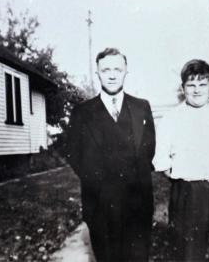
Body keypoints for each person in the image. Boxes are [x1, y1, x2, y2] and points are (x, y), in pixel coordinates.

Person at [67, 48, 155, 261]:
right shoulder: (82, 113)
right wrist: (99, 183)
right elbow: (74, 154)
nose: (112, 75)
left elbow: (149, 149)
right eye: (106, 70)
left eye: (118, 69)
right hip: (100, 205)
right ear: (97, 73)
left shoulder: (141, 107)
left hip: (138, 203)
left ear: (126, 71)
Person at [153, 59, 209, 261]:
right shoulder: (171, 119)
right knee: (188, 255)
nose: (197, 90)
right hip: (188, 194)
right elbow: (162, 160)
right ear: (183, 88)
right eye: (191, 85)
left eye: (202, 84)